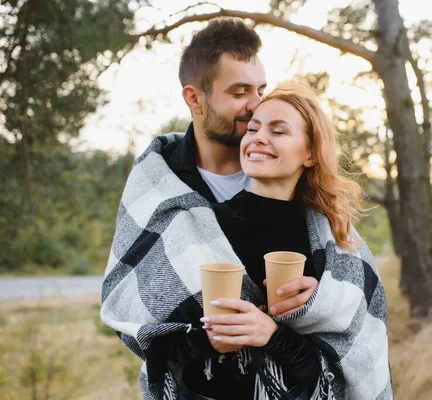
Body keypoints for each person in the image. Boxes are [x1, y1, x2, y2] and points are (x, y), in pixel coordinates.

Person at [101, 17, 391, 400]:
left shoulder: (304, 199)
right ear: (194, 98)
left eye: (260, 89)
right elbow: (136, 307)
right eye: (240, 92)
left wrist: (320, 299)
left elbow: (354, 299)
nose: (255, 107)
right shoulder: (160, 182)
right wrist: (207, 339)